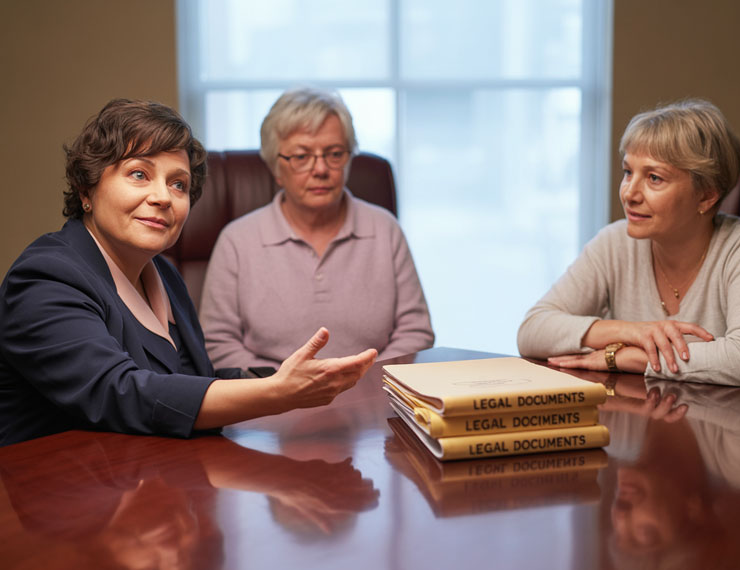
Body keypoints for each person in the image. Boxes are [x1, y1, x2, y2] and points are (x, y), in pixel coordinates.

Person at [0, 98, 376, 447]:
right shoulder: (44, 278)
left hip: (144, 485)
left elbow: (194, 382)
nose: (163, 197)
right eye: (138, 174)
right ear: (87, 188)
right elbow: (122, 392)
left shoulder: (163, 274)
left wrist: (287, 379)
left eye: (178, 184)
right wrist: (277, 394)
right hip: (51, 498)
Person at [517, 99, 740, 390]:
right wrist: (632, 332)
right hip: (657, 420)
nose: (629, 193)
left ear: (706, 196)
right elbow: (532, 331)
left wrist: (628, 357)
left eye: (654, 178)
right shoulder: (615, 242)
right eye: (628, 172)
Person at [199, 87, 434, 370]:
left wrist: (361, 383)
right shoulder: (237, 241)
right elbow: (216, 343)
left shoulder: (385, 229)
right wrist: (285, 388)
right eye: (301, 156)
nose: (321, 168)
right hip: (271, 402)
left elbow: (416, 332)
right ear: (276, 166)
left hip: (372, 396)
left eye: (334, 154)